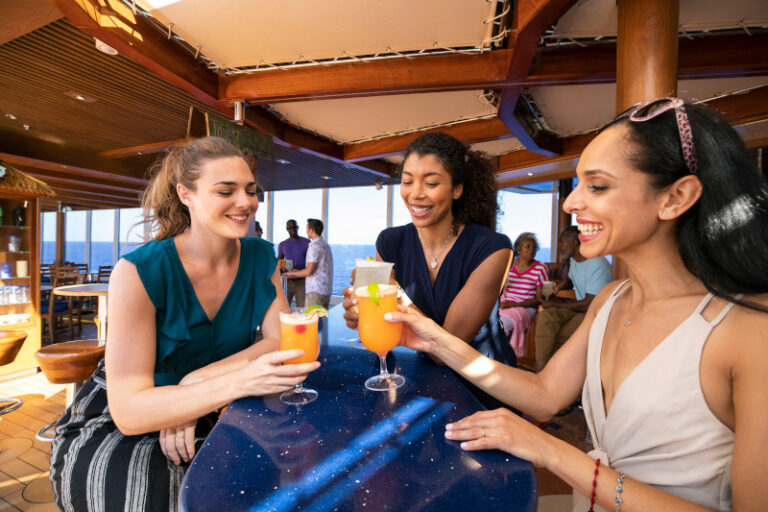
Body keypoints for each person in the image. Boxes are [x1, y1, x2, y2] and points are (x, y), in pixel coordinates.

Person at [385, 98, 768, 511]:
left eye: (597, 186)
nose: (570, 203)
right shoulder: (611, 299)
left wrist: (550, 450)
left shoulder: (748, 329)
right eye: (579, 184)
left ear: (676, 197)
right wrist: (431, 338)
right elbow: (545, 393)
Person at [49, 137, 320, 512]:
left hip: (217, 398)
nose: (246, 202)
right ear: (185, 194)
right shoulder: (138, 271)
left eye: (250, 190)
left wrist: (196, 382)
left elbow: (279, 339)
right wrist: (210, 391)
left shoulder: (261, 256)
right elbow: (129, 411)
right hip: (126, 415)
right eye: (226, 191)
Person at [342, 131, 514, 405]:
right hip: (421, 377)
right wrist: (363, 315)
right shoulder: (390, 241)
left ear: (457, 189)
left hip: (483, 385)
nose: (415, 193)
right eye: (407, 181)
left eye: (431, 183)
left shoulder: (493, 249)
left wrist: (396, 294)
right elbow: (387, 317)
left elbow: (446, 350)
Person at [534, 225, 610, 370]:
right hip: (579, 307)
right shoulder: (576, 260)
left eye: (562, 242)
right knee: (546, 316)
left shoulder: (597, 265)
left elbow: (588, 304)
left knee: (559, 335)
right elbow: (570, 278)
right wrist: (557, 288)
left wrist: (556, 304)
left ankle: (546, 374)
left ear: (575, 243)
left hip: (594, 312)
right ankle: (540, 368)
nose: (559, 246)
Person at [498, 232, 549, 357]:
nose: (532, 250)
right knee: (487, 320)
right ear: (518, 249)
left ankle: (503, 358)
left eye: (534, 247)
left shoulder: (540, 268)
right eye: (528, 246)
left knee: (501, 325)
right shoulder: (509, 265)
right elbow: (501, 288)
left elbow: (539, 299)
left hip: (526, 307)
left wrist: (513, 305)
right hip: (505, 303)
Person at [284, 218, 333, 308]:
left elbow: (309, 271)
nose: (306, 231)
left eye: (307, 229)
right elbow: (317, 267)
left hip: (315, 291)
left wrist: (291, 273)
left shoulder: (314, 246)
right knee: (321, 316)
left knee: (310, 317)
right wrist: (296, 271)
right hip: (326, 291)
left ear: (311, 230)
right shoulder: (325, 245)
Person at [277, 219, 311, 307]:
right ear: (287, 229)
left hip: (302, 281)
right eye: (290, 227)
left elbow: (311, 262)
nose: (292, 229)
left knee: (302, 308)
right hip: (287, 282)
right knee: (283, 308)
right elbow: (278, 262)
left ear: (298, 227)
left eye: (294, 227)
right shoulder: (282, 244)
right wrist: (282, 269)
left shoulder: (307, 242)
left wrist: (300, 269)